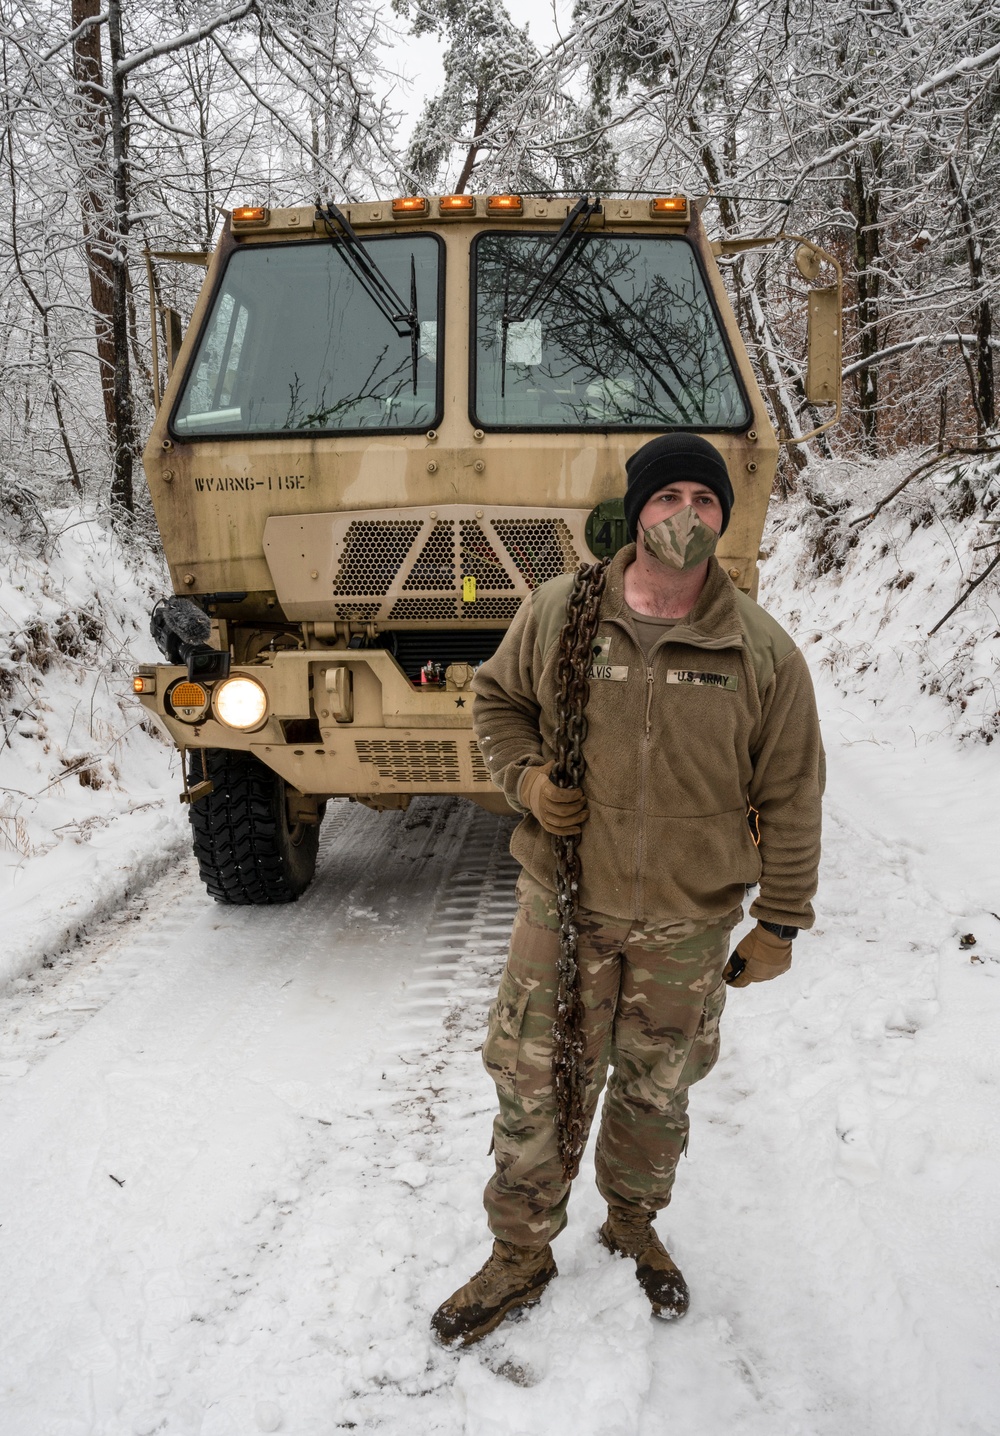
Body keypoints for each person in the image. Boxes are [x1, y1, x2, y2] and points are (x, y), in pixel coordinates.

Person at [430, 433, 824, 1347]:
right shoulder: (562, 612)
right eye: (667, 497)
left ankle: (633, 1226)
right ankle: (519, 1253)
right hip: (565, 904)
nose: (686, 515)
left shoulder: (759, 651)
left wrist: (783, 922)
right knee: (535, 1084)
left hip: (688, 923)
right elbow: (496, 702)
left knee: (656, 1093)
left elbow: (793, 792)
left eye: (705, 499)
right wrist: (527, 781)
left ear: (723, 516)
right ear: (635, 510)